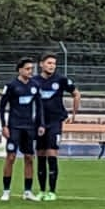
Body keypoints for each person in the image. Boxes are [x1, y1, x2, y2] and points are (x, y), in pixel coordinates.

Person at [34, 53, 80, 201]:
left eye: (54, 63)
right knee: (40, 155)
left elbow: (76, 94)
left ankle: (52, 191)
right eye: (49, 63)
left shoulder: (61, 80)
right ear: (41, 64)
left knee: (52, 154)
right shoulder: (34, 81)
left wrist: (73, 114)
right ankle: (41, 190)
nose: (52, 66)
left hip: (55, 121)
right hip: (39, 122)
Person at [0, 59, 42, 202]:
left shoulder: (35, 85)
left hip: (29, 127)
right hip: (14, 126)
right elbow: (2, 106)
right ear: (20, 70)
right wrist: (4, 125)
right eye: (28, 68)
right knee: (10, 157)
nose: (30, 71)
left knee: (29, 158)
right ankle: (6, 191)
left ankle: (28, 191)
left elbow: (39, 106)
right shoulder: (11, 86)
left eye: (31, 68)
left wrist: (40, 124)